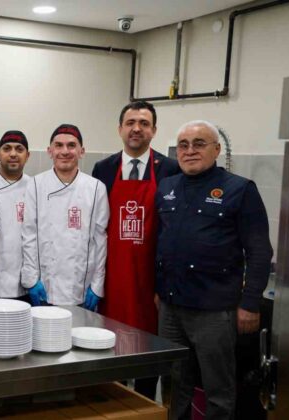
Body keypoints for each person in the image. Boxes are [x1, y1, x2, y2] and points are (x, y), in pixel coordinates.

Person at [155, 120, 272, 420]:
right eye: (183, 145)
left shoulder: (240, 190)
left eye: (199, 144)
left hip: (214, 311)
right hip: (171, 307)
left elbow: (259, 251)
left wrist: (250, 303)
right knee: (175, 383)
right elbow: (163, 242)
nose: (190, 151)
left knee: (217, 389)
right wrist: (159, 289)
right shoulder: (167, 187)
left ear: (217, 149)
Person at [91, 100, 179, 399]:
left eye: (143, 123)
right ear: (120, 129)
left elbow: (174, 231)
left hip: (149, 281)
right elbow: (96, 228)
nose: (136, 128)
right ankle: (110, 403)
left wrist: (163, 283)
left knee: (146, 348)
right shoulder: (103, 168)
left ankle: (142, 405)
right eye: (130, 123)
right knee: (108, 345)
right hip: (112, 277)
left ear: (154, 130)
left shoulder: (170, 169)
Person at [21, 124, 109, 308]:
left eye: (71, 145)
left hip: (81, 287)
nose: (65, 151)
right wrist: (31, 279)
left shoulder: (95, 188)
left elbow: (100, 240)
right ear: (50, 151)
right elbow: (29, 235)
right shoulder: (36, 184)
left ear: (82, 151)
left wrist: (97, 284)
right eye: (59, 145)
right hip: (45, 284)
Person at [0, 130, 31, 300]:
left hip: (23, 284)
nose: (13, 154)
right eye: (7, 148)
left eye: (19, 149)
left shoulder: (34, 187)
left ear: (28, 155)